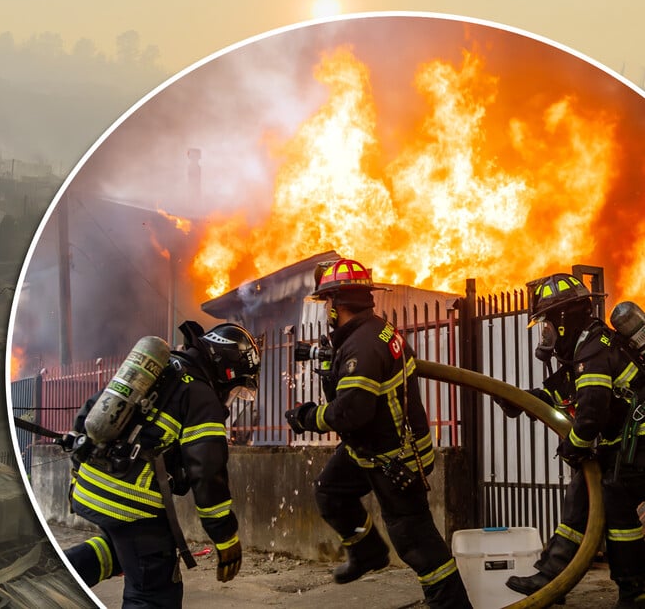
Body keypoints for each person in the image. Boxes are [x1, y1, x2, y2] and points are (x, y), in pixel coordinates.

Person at [283, 257, 472, 609]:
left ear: (338, 304)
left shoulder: (363, 346)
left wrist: (307, 417)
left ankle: (451, 605)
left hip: (396, 459)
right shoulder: (375, 331)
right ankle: (367, 552)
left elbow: (351, 412)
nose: (327, 311)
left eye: (327, 303)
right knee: (330, 491)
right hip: (369, 450)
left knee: (416, 541)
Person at [60, 320, 261, 609]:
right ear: (226, 371)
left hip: (88, 485)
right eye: (235, 387)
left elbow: (92, 410)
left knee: (122, 551)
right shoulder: (202, 396)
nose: (230, 398)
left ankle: (51, 576)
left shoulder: (160, 369)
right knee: (156, 590)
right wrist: (225, 536)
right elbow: (207, 473)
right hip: (129, 502)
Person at [500, 273, 645, 607]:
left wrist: (573, 446)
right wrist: (521, 400)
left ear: (563, 320)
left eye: (546, 324)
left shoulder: (593, 350)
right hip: (622, 447)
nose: (545, 333)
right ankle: (553, 577)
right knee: (587, 500)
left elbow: (592, 410)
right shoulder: (586, 347)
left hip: (637, 446)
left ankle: (630, 589)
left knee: (613, 505)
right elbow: (559, 390)